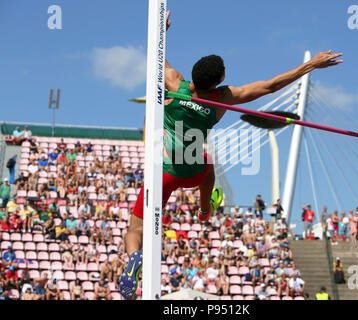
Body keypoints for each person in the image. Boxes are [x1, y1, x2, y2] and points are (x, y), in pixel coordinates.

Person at [120, 10, 343, 299]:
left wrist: (161, 30)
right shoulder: (224, 99)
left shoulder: (174, 84)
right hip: (192, 169)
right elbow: (270, 86)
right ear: (219, 80)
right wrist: (310, 65)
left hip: (161, 171)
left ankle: (134, 256)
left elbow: (156, 58)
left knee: (135, 229)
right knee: (208, 169)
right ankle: (203, 212)